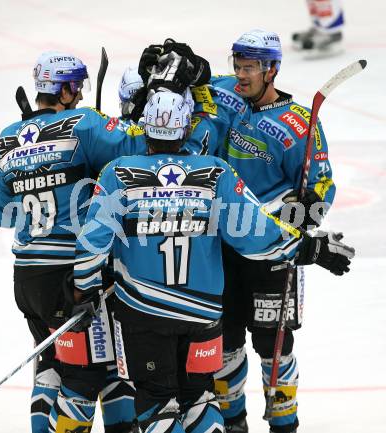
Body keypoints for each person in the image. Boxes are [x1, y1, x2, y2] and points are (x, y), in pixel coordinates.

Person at [70, 90, 353, 433]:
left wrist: (83, 291)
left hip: (145, 317)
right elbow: (257, 234)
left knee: (157, 402)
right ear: (187, 128)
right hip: (202, 316)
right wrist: (309, 248)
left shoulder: (118, 173)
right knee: (200, 398)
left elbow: (92, 243)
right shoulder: (215, 173)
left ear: (144, 129)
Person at [0, 51, 147, 433]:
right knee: (93, 373)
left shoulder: (8, 137)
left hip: (27, 279)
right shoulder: (84, 123)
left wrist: (41, 178)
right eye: (76, 87)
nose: (78, 94)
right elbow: (140, 148)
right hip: (72, 277)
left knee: (51, 365)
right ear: (66, 89)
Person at [204, 30, 337, 433]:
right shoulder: (224, 92)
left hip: (271, 256)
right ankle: (234, 423)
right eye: (238, 66)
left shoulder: (297, 124)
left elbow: (322, 189)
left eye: (249, 68)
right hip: (220, 247)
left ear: (272, 69)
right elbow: (192, 87)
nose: (240, 76)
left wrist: (298, 219)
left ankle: (284, 424)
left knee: (272, 345)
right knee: (225, 344)